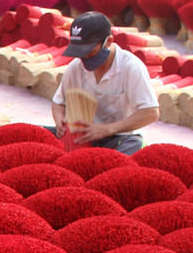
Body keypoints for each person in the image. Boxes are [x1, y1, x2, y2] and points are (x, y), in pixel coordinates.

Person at [51, 11, 160, 156]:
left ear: (108, 41)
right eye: (80, 53)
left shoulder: (131, 67)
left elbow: (150, 113)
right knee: (36, 133)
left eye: (90, 52)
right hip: (83, 135)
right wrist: (60, 122)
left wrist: (108, 129)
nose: (85, 58)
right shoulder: (76, 67)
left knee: (134, 146)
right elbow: (58, 102)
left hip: (118, 137)